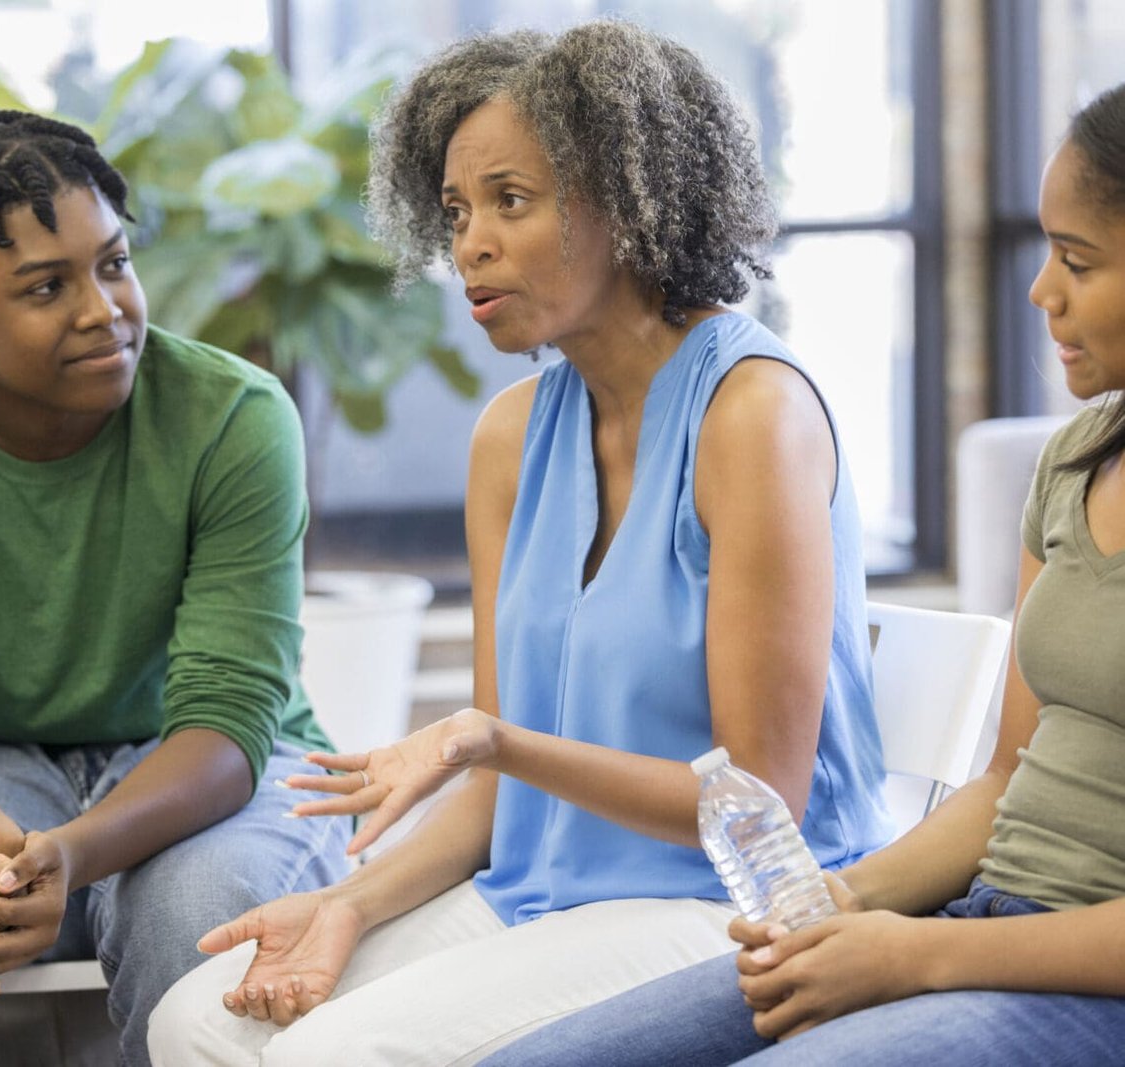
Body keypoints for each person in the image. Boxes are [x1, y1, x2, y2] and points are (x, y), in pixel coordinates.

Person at [147, 20, 891, 1067]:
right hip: (541, 888)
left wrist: (485, 740)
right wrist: (346, 903)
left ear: (632, 202)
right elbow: (496, 788)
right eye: (454, 210)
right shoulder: (510, 438)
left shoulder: (752, 412)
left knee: (330, 1054)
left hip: (732, 902)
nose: (468, 244)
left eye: (511, 199)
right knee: (192, 1019)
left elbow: (755, 803)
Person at [472, 81, 1125, 1067]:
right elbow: (1004, 777)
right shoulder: (1075, 463)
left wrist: (920, 955)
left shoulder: (748, 401)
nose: (1040, 290)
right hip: (976, 912)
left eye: (1076, 259)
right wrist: (844, 900)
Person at [0, 110, 351, 1067]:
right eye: (47, 286)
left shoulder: (235, 418)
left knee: (196, 907)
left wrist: (77, 850)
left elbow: (227, 723)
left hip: (205, 766)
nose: (104, 309)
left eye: (114, 263)